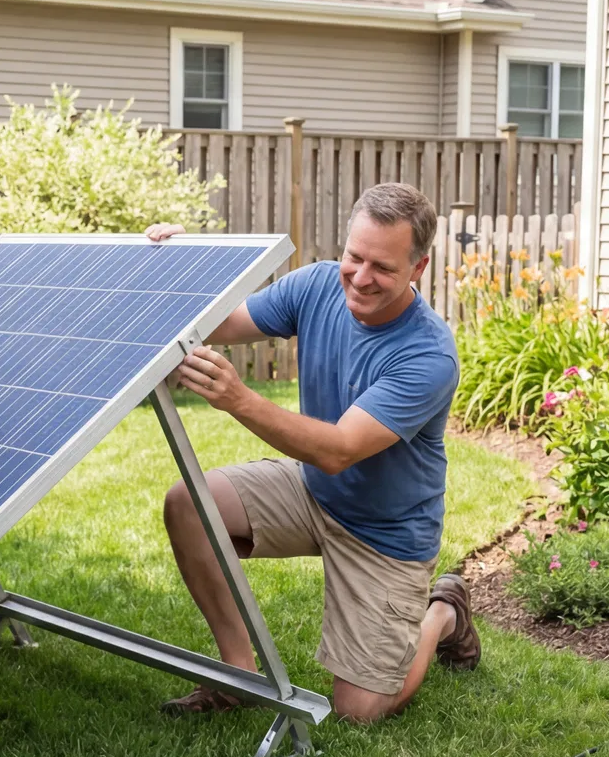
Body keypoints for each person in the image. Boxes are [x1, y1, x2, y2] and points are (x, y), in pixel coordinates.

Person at [150, 182, 479, 723]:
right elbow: (223, 323)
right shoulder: (318, 286)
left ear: (417, 269)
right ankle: (240, 674)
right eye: (355, 256)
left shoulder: (428, 354)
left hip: (385, 535)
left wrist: (239, 399)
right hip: (312, 493)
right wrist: (187, 265)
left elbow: (340, 450)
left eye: (383, 267)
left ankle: (442, 611)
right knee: (189, 504)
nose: (362, 277)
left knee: (358, 712)